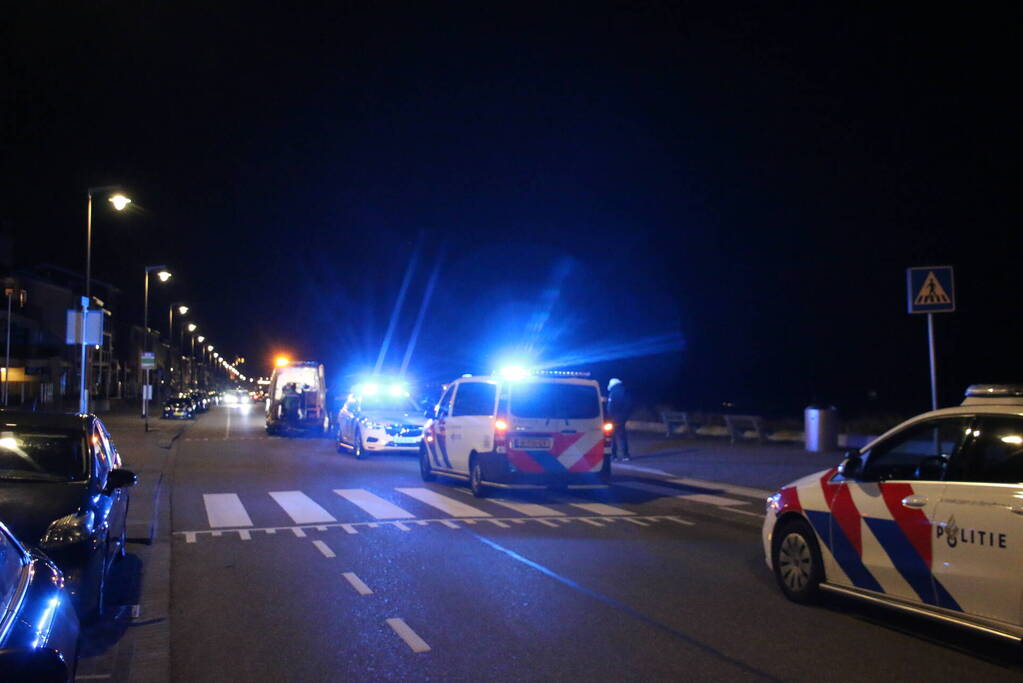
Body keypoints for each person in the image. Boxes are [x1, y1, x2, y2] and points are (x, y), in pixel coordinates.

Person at [606, 377, 632, 461]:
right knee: (622, 436)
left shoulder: (613, 392)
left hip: (614, 418)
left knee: (612, 437)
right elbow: (629, 404)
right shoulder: (625, 391)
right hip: (623, 417)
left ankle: (614, 456)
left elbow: (610, 406)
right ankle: (625, 455)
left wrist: (608, 417)